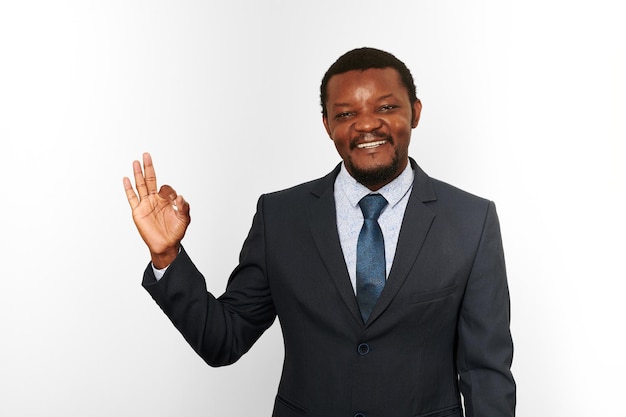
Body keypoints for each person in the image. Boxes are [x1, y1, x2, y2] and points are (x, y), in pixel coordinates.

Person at [124, 47, 516, 417]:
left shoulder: (471, 220)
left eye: (386, 107)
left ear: (414, 112)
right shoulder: (279, 217)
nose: (366, 124)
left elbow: (486, 374)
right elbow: (222, 340)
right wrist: (166, 257)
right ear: (328, 125)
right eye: (346, 114)